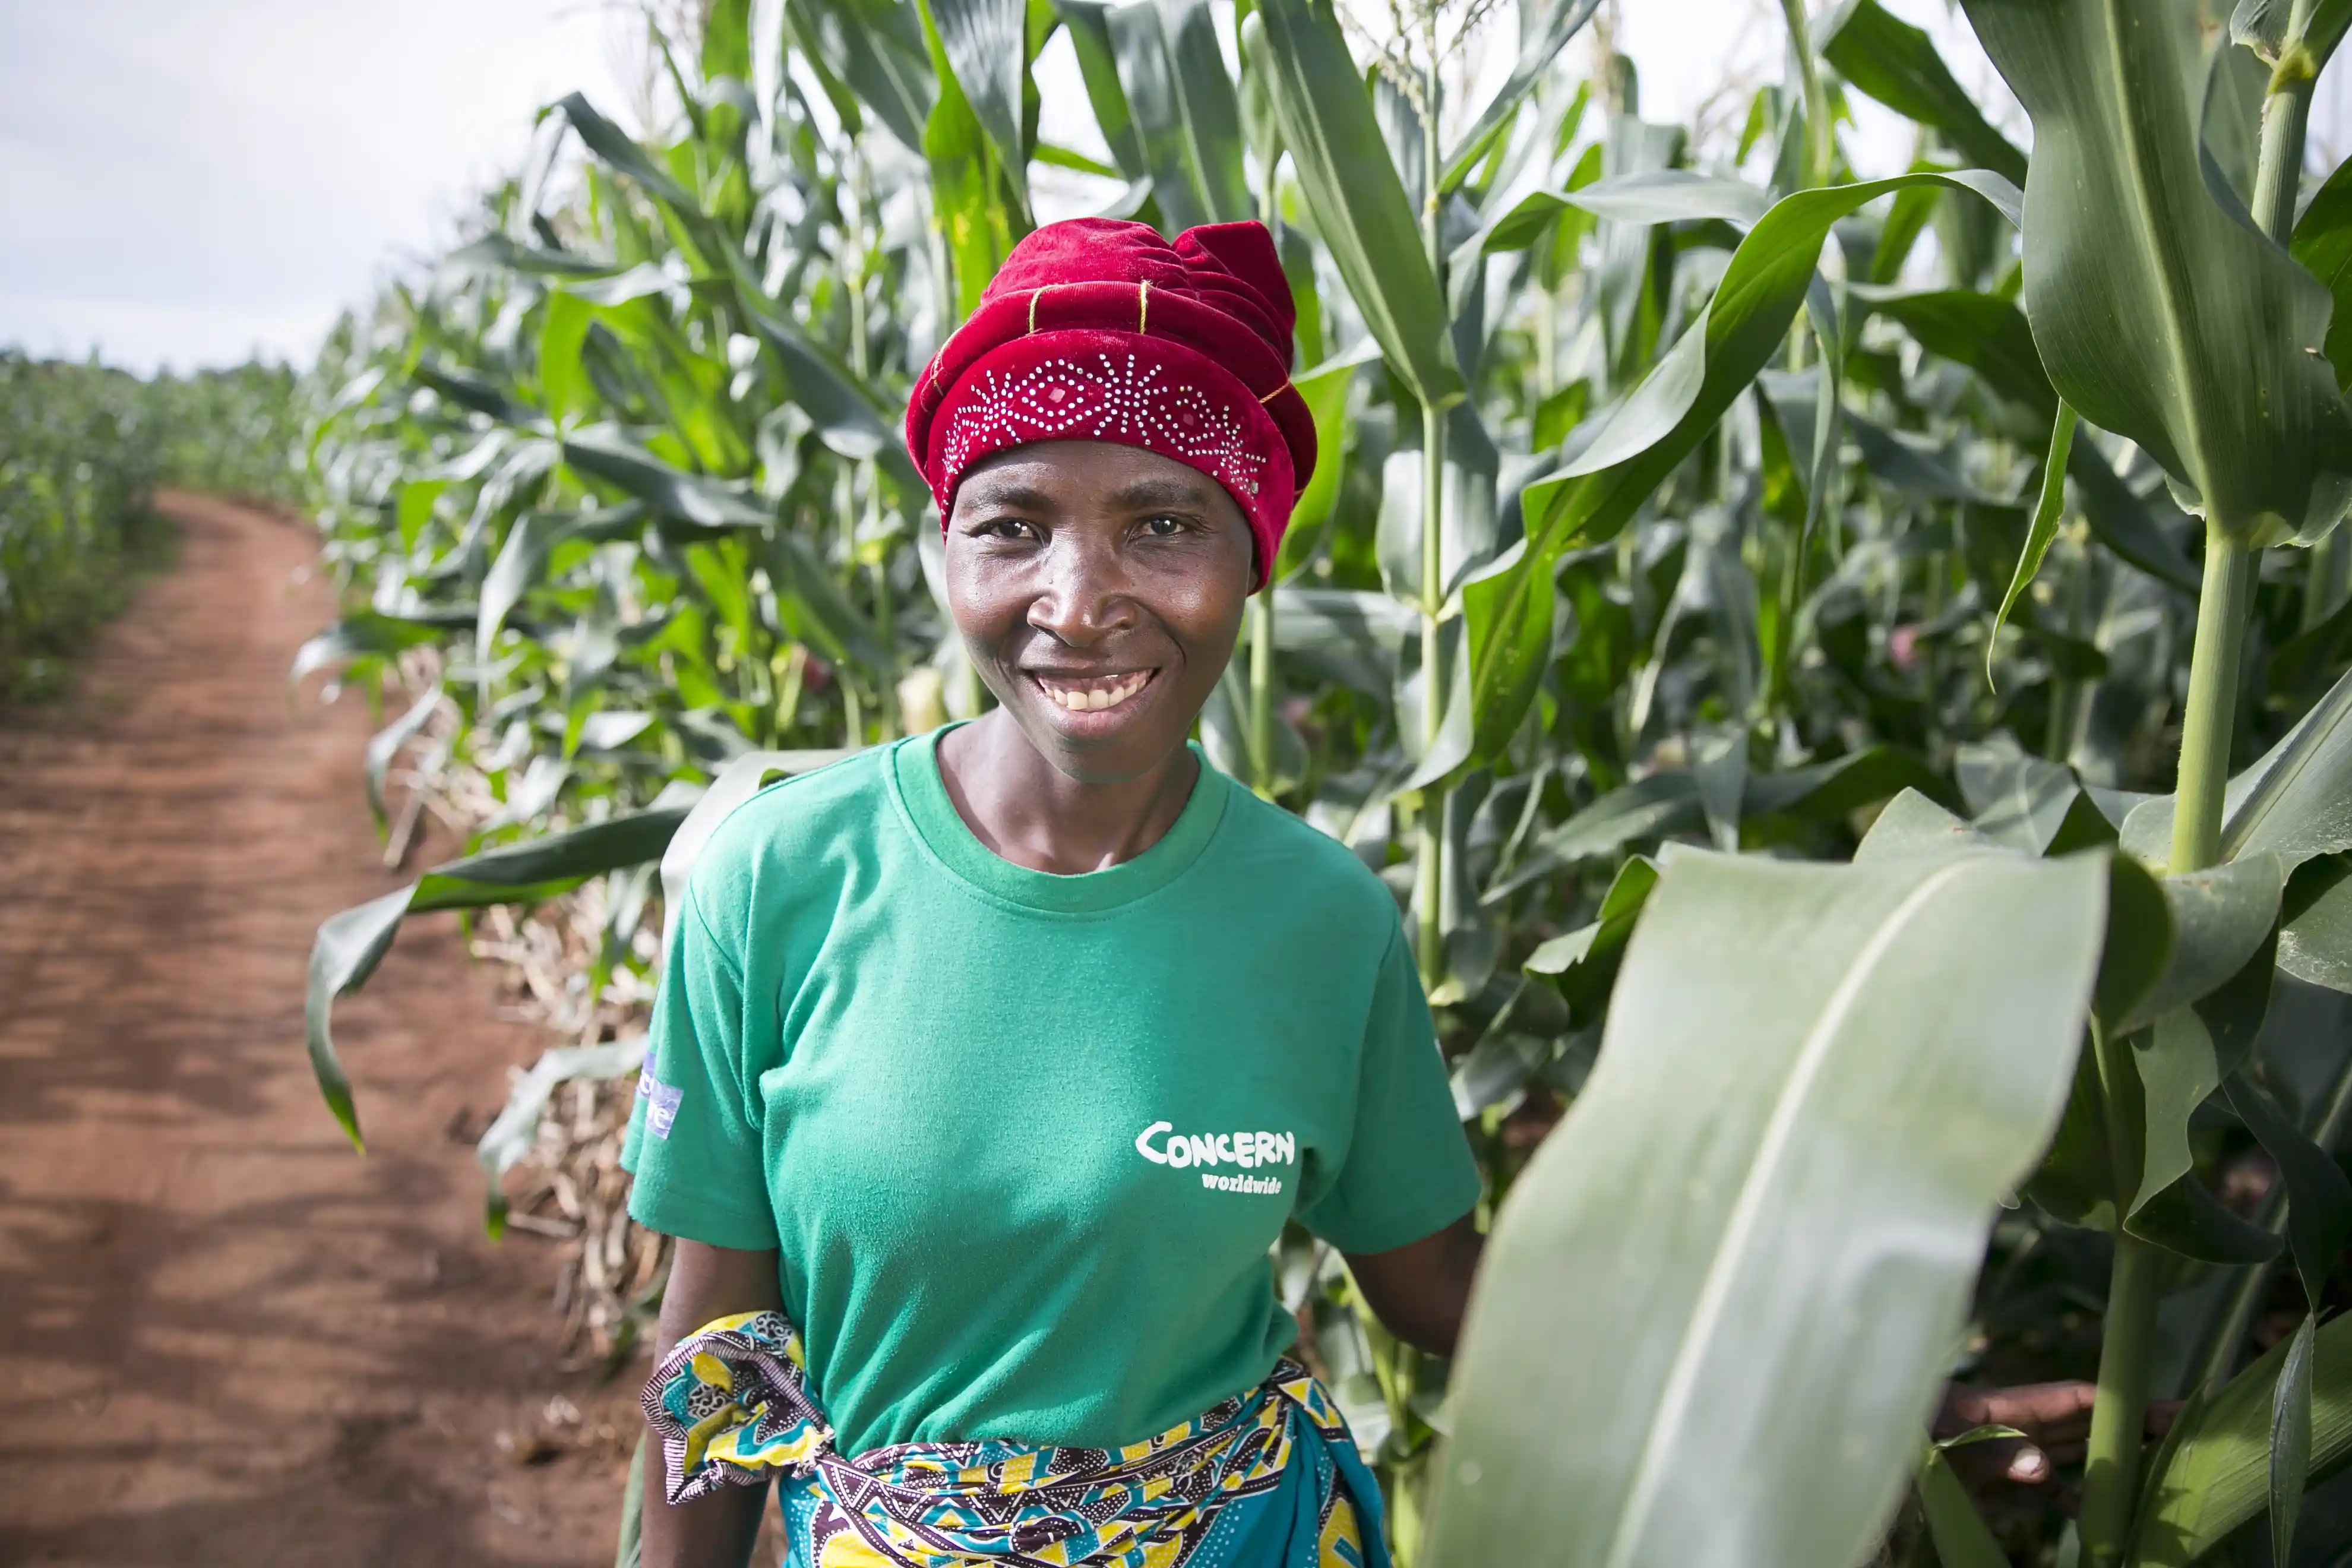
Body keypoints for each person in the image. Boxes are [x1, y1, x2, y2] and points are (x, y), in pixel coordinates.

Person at [620, 216, 2125, 1568]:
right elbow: (719, 1348)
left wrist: (1854, 1403)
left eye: (1163, 521)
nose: (1079, 600)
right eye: (1013, 522)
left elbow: (1453, 1292)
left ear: (1253, 552)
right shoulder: (782, 882)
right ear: (948, 549)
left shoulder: (1322, 922)